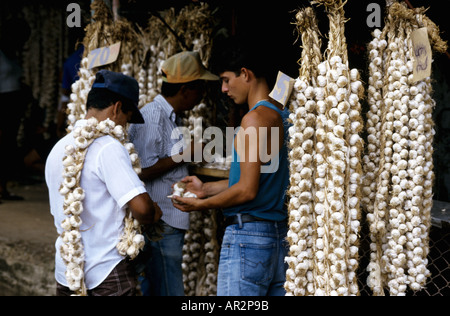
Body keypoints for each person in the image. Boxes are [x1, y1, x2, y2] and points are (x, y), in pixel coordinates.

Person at [172, 39, 291, 296]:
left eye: (226, 80)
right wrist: (205, 189)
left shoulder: (254, 120)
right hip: (278, 238)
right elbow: (256, 180)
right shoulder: (281, 116)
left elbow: (247, 191)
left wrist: (200, 205)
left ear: (245, 74)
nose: (224, 89)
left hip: (248, 237)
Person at [45, 70, 162, 296]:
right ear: (117, 108)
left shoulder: (59, 147)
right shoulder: (108, 147)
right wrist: (154, 212)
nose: (125, 126)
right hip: (106, 274)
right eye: (127, 117)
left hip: (67, 274)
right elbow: (143, 210)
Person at [128, 51, 219, 296]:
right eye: (200, 88)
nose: (202, 95)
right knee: (169, 291)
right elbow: (141, 171)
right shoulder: (153, 116)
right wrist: (185, 155)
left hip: (167, 220)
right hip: (160, 221)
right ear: (186, 89)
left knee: (158, 289)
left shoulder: (172, 118)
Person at [0, 17, 31, 203]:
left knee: (7, 147)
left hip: (12, 103)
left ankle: (3, 188)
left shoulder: (12, 55)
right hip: (2, 102)